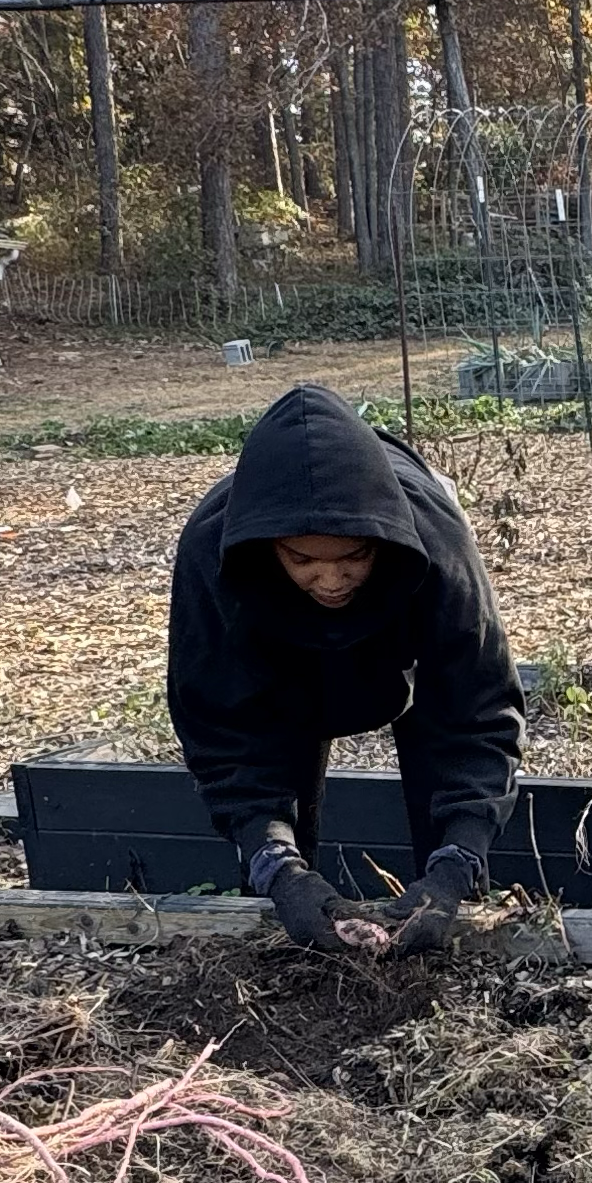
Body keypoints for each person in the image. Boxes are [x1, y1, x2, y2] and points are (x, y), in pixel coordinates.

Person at [167, 381, 522, 958]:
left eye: (353, 557)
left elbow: (474, 712)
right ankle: (290, 906)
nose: (330, 581)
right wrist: (276, 865)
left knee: (449, 852)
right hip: (273, 662)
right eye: (303, 560)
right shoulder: (216, 557)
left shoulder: (438, 544)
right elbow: (224, 729)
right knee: (285, 880)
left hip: (399, 637)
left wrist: (458, 862)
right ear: (270, 548)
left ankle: (446, 904)